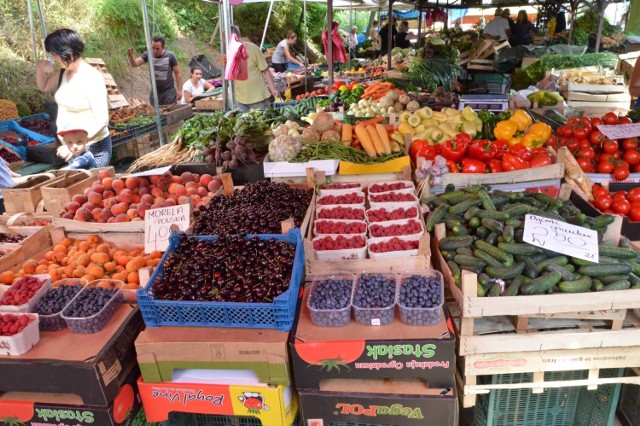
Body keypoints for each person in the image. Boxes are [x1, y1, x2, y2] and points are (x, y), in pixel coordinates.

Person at [35, 28, 112, 168]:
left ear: (68, 53)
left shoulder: (91, 77)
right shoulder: (63, 74)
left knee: (91, 188)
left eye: (54, 54)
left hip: (93, 146)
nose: (53, 58)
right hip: (74, 148)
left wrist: (77, 144)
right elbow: (44, 86)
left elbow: (102, 120)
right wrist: (39, 67)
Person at [228, 26, 280, 112]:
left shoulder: (253, 48)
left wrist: (273, 89)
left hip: (257, 97)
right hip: (240, 99)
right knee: (245, 124)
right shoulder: (229, 52)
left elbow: (266, 70)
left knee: (264, 122)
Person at [127, 35, 182, 105]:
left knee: (169, 113)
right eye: (153, 48)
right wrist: (131, 56)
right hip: (155, 92)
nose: (155, 51)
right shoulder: (148, 54)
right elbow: (134, 64)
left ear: (163, 47)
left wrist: (180, 90)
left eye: (157, 49)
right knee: (155, 114)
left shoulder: (170, 56)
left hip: (168, 92)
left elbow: (178, 73)